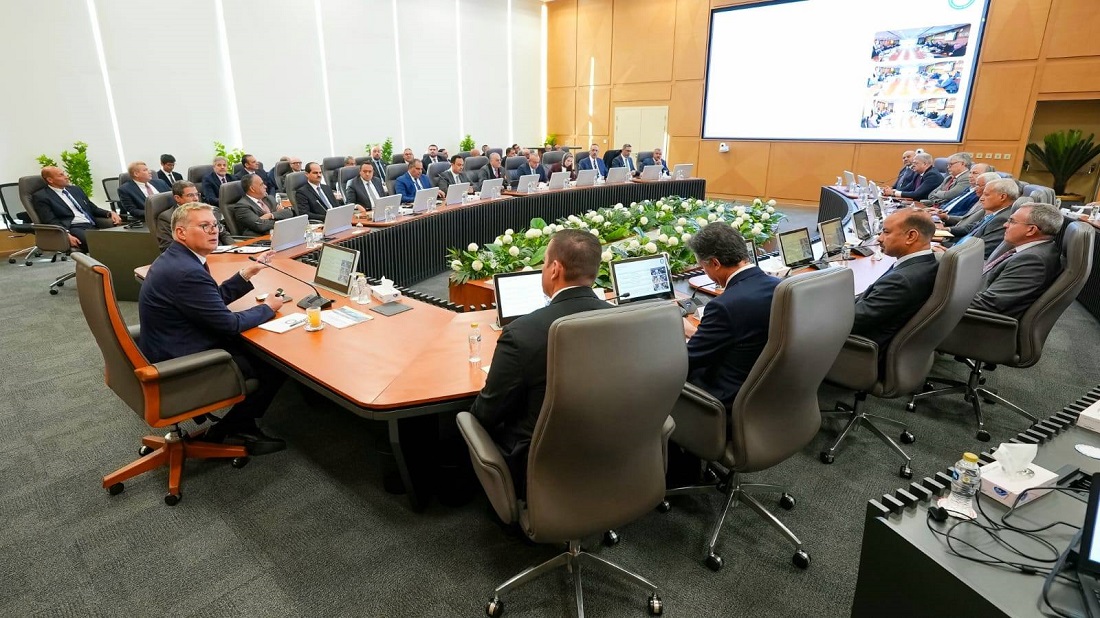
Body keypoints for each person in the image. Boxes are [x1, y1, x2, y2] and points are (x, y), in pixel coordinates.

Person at [138, 202, 286, 455]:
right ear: (181, 232)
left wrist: (245, 274)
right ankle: (234, 427)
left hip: (168, 344)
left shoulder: (179, 258)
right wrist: (268, 308)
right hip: (182, 361)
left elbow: (208, 301)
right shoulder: (187, 271)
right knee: (274, 364)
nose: (214, 230)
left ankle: (237, 423)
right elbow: (229, 324)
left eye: (215, 225)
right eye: (204, 226)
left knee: (257, 348)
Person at [470, 229, 610, 496]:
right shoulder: (622, 318)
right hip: (608, 449)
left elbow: (487, 412)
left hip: (540, 465)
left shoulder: (522, 333)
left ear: (555, 269)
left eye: (544, 262)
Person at [684, 222, 779, 406]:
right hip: (771, 387)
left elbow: (688, 360)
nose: (705, 272)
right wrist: (695, 332)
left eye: (703, 266)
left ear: (715, 263)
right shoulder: (779, 286)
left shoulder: (723, 307)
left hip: (728, 395)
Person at [851, 208, 939, 349]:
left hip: (858, 348)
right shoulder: (926, 264)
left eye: (886, 232)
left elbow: (850, 321)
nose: (879, 238)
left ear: (911, 236)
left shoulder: (901, 280)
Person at [970, 202, 1063, 319]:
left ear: (1031, 230)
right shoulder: (1036, 250)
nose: (1005, 225)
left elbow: (988, 302)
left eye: (1012, 221)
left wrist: (948, 296)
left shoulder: (1033, 261)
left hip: (974, 320)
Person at [32, 167, 121, 252]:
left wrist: (110, 213)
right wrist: (65, 234)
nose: (66, 177)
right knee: (101, 244)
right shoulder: (42, 196)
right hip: (72, 227)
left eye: (64, 173)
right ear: (50, 180)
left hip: (90, 225)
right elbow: (50, 220)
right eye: (61, 175)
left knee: (121, 240)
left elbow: (92, 208)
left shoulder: (75, 189)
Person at [939, 177, 1018, 259]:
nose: (981, 199)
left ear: (1002, 197)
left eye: (986, 195)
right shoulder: (996, 213)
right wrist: (946, 230)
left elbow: (982, 250)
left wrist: (948, 251)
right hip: (958, 248)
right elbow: (973, 227)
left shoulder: (1002, 219)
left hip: (961, 257)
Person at [156, 181, 233, 251]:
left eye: (197, 194)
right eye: (190, 195)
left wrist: (234, 248)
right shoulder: (167, 217)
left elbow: (223, 234)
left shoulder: (205, 210)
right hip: (193, 256)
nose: (196, 199)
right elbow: (167, 247)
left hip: (220, 251)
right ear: (177, 198)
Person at [230, 173, 296, 236]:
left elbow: (289, 213)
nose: (265, 186)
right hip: (259, 239)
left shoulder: (269, 199)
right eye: (261, 184)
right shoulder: (242, 206)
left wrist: (270, 215)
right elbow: (259, 225)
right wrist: (280, 217)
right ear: (252, 189)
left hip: (278, 234)